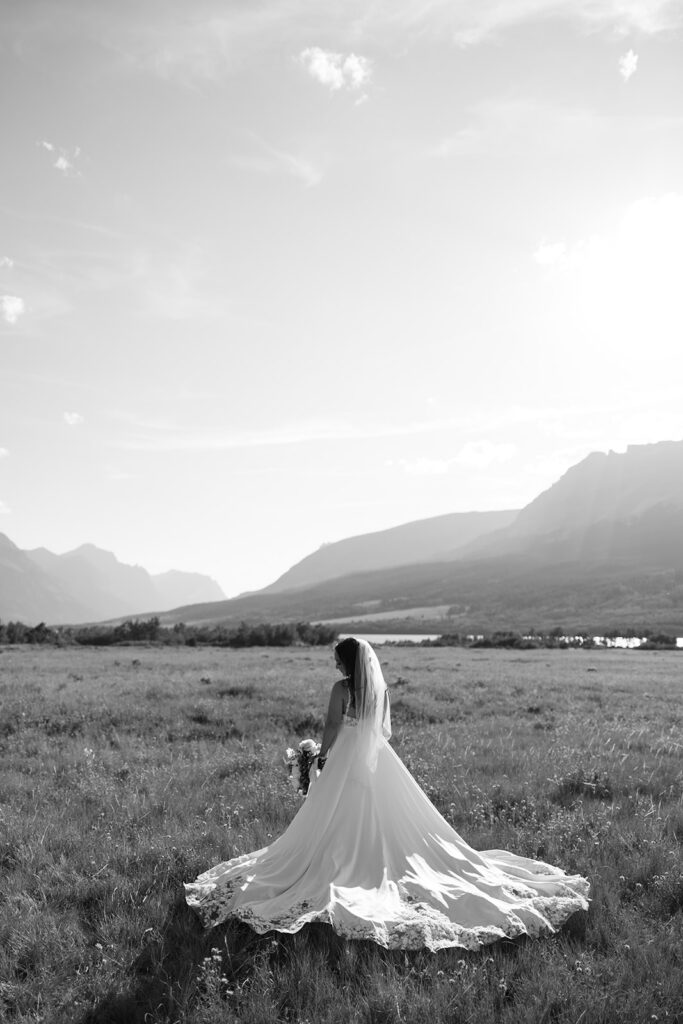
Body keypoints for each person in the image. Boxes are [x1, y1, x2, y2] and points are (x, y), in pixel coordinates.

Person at [184, 637, 589, 950]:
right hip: (376, 759)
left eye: (337, 660)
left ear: (347, 663)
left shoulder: (341, 689)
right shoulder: (379, 690)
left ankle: (344, 864)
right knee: (382, 814)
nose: (335, 666)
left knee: (333, 814)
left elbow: (332, 726)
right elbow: (381, 731)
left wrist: (320, 758)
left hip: (346, 755)